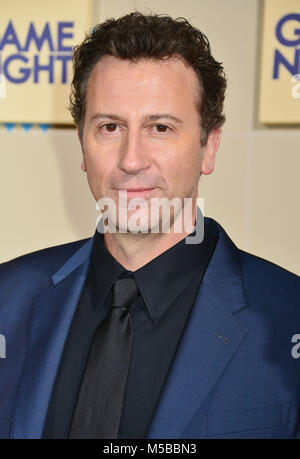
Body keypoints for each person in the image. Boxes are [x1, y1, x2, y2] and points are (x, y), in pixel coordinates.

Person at [0, 11, 300, 440]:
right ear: (82, 145)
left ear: (209, 146)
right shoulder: (7, 299)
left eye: (160, 127)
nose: (131, 160)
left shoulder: (288, 315)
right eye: (110, 127)